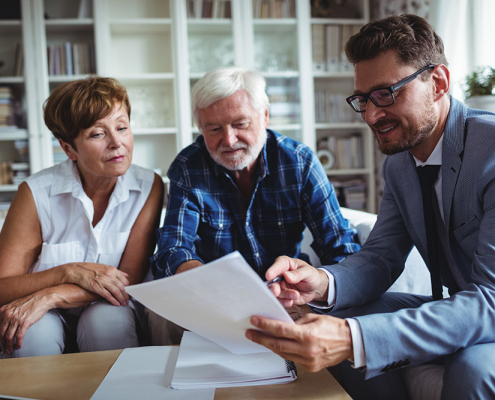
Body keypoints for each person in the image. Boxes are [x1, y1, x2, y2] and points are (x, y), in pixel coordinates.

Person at [245, 14, 495, 400]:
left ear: (439, 82)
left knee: (473, 368)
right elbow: (380, 257)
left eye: (386, 93)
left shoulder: (491, 150)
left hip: (488, 307)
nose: (372, 115)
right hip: (460, 307)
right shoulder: (399, 163)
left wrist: (353, 339)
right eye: (363, 99)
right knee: (338, 313)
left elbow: (489, 302)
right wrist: (321, 283)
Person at [148, 66, 360, 344]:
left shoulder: (300, 162)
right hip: (212, 298)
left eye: (240, 124)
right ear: (200, 128)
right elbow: (173, 248)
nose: (229, 139)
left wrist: (314, 287)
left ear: (265, 116)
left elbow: (341, 247)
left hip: (283, 295)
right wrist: (203, 279)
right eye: (213, 128)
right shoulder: (188, 167)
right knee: (163, 317)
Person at [0, 77, 164, 358]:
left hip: (109, 305)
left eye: (122, 128)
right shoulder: (35, 193)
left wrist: (51, 294)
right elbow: (3, 285)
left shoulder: (150, 186)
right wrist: (68, 271)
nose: (117, 143)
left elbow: (128, 280)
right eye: (97, 134)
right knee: (33, 335)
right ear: (68, 149)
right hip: (43, 313)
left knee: (107, 321)